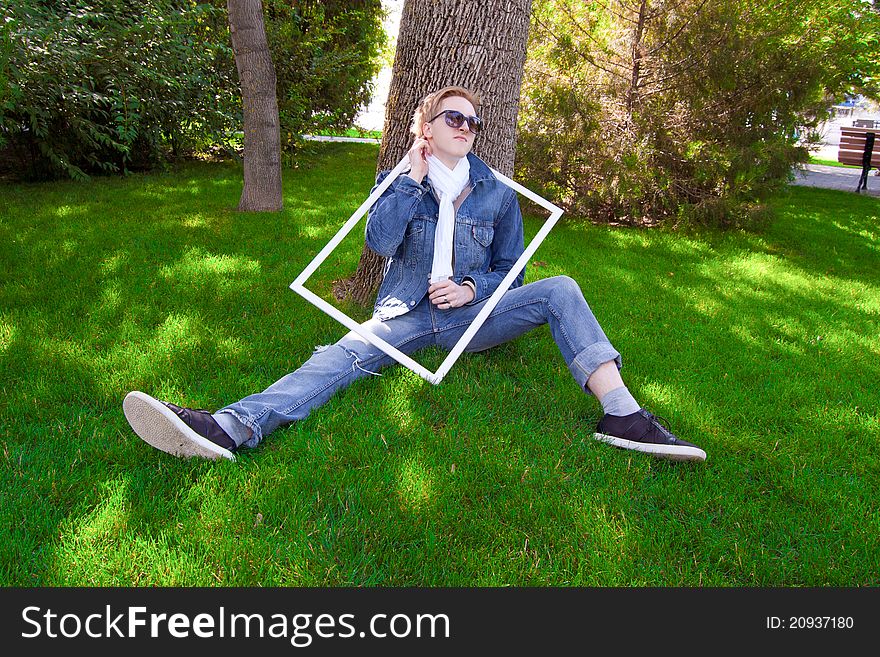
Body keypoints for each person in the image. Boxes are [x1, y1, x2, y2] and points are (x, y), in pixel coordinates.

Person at [123, 86, 706, 463]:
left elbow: (511, 267)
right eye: (454, 118)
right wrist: (410, 175)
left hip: (469, 319)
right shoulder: (403, 181)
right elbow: (378, 242)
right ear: (425, 127)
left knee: (562, 289)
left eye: (473, 122)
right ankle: (228, 428)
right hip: (404, 314)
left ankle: (624, 415)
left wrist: (472, 287)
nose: (466, 127)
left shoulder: (498, 196)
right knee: (337, 357)